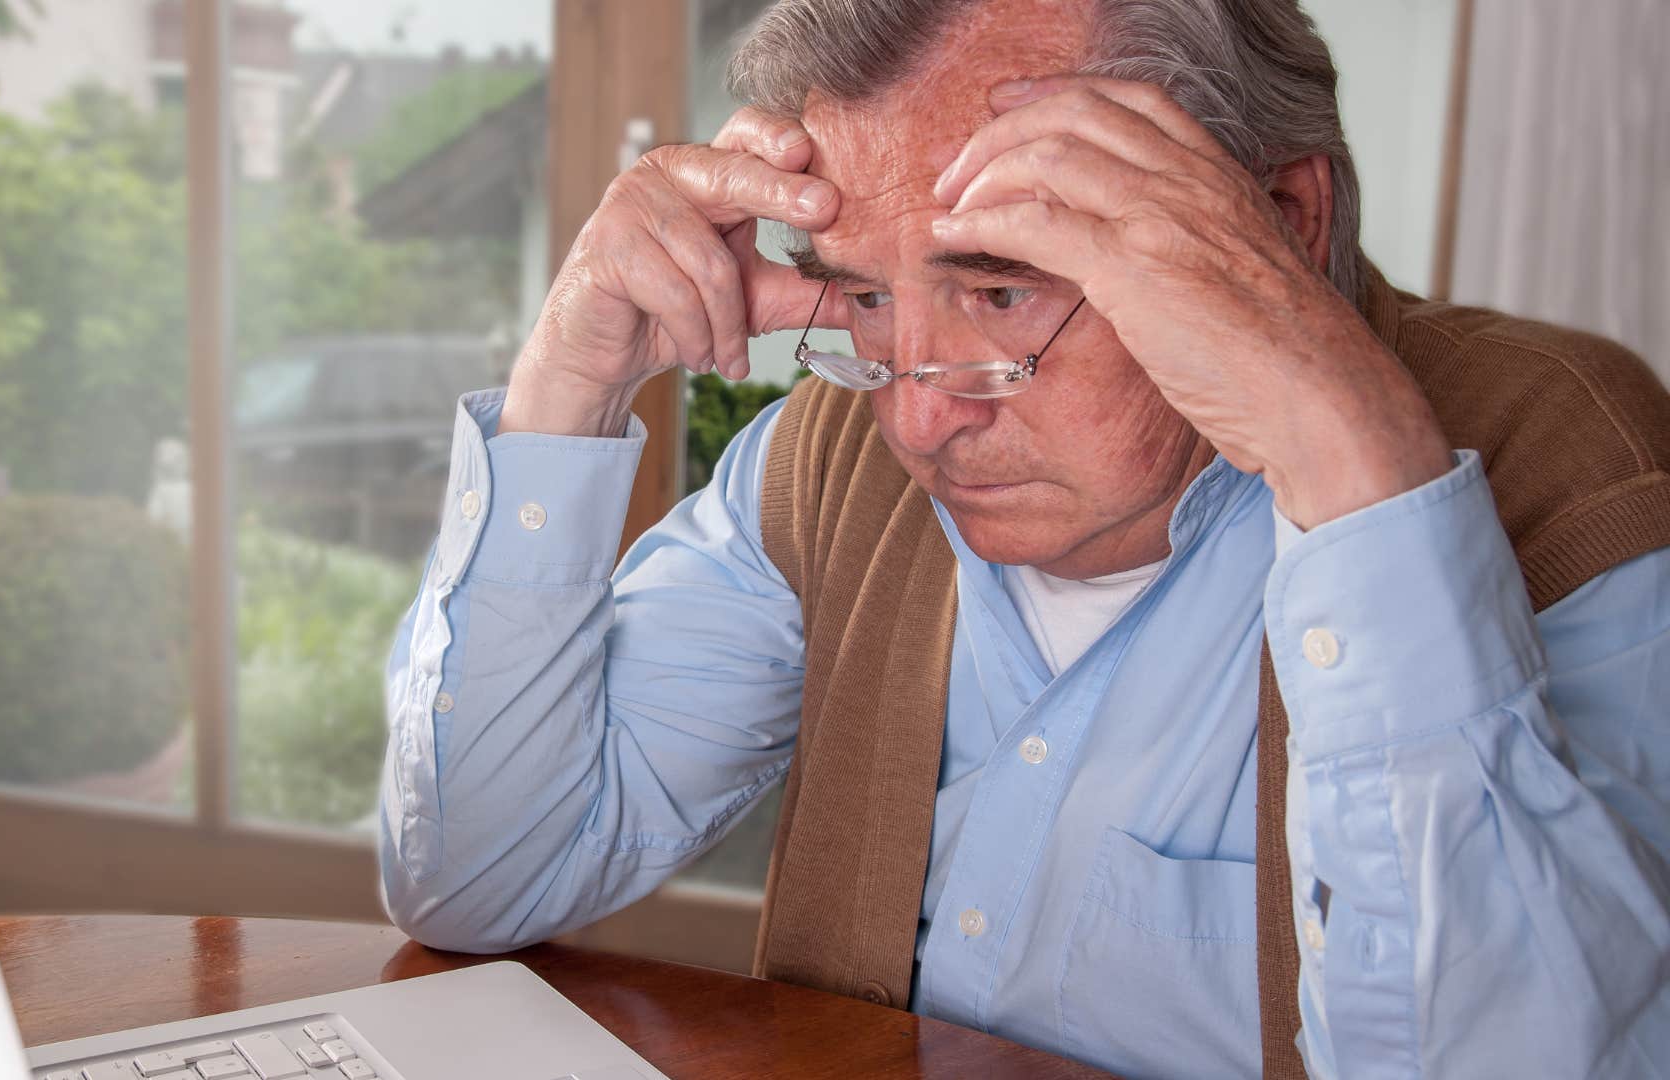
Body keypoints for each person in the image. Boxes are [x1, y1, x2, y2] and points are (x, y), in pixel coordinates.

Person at [377, 1, 1670, 1076]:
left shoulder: (1568, 466)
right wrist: (568, 383)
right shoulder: (831, 455)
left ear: (1282, 222)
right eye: (871, 297)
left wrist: (1349, 457)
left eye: (1002, 286)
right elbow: (481, 877)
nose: (922, 416)